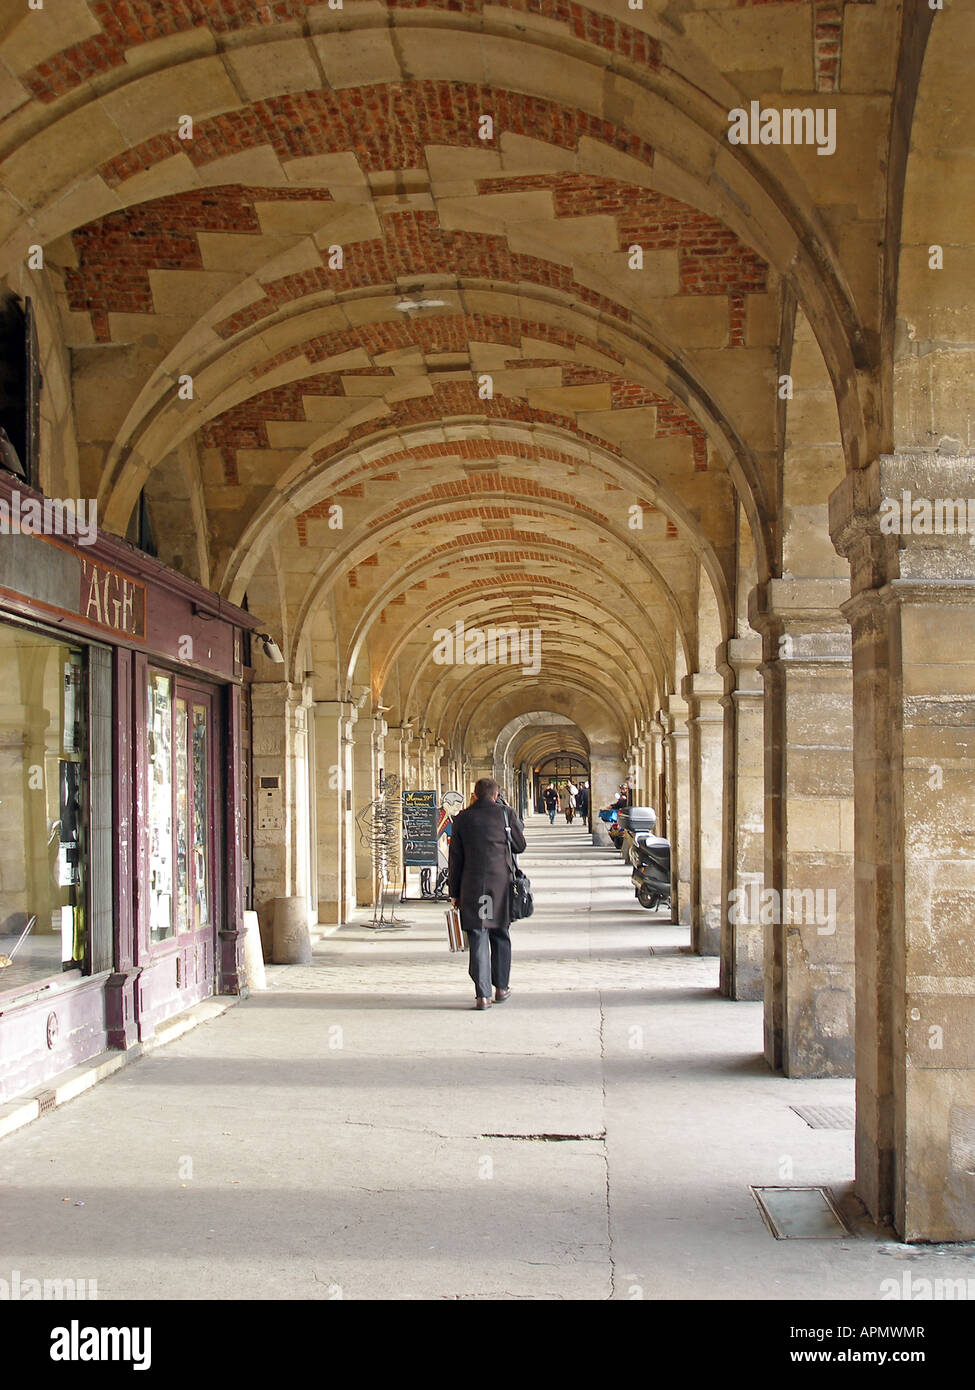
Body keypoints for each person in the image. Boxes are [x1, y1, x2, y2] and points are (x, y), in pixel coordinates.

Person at [448, 776, 527, 1010]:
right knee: (500, 934)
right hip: (500, 884)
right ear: (495, 795)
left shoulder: (462, 819)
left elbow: (455, 859)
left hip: (471, 884)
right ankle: (501, 987)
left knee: (478, 936)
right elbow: (520, 846)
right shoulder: (505, 814)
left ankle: (482, 995)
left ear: (474, 794)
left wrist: (454, 892)